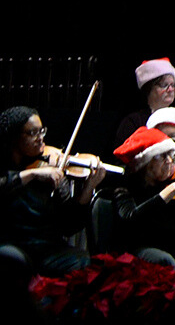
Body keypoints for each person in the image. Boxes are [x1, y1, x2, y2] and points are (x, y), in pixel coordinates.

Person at [0, 105, 101, 280]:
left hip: (46, 247)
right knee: (15, 261)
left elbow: (69, 226)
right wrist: (32, 174)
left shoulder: (51, 169)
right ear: (14, 137)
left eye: (42, 131)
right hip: (12, 245)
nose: (41, 139)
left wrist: (89, 187)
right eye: (32, 133)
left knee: (82, 261)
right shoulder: (8, 169)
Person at [96, 125, 175, 267]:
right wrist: (165, 194)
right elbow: (130, 217)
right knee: (165, 261)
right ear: (145, 163)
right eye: (160, 156)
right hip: (139, 247)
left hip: (170, 244)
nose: (169, 161)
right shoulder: (124, 187)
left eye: (170, 155)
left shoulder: (170, 183)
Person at [112, 57, 175, 143]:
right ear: (149, 88)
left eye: (172, 85)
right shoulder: (132, 123)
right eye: (164, 85)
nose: (170, 89)